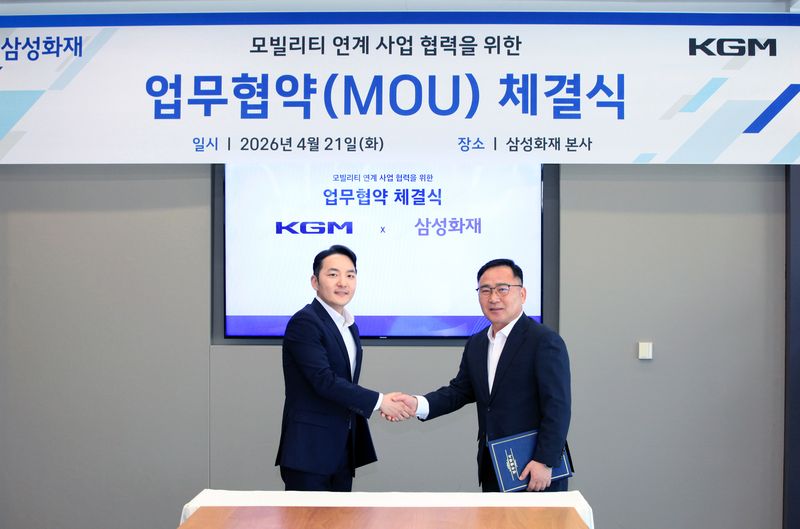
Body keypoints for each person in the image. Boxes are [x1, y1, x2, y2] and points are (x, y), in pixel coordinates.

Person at [395, 258, 571, 492]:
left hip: (535, 468)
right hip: (494, 465)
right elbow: (460, 391)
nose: (493, 298)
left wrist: (545, 460)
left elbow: (557, 406)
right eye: (485, 290)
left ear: (522, 294)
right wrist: (418, 404)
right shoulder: (477, 343)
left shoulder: (544, 340)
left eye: (502, 289)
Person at [275, 244, 412, 491]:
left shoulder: (349, 326)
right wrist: (380, 401)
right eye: (333, 274)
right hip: (309, 451)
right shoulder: (305, 322)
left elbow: (345, 383)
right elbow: (324, 380)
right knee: (307, 515)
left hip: (342, 448)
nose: (343, 283)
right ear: (315, 282)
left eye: (350, 275)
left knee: (342, 514)